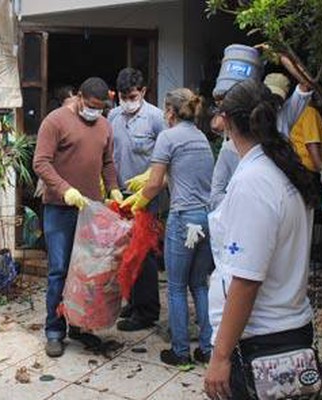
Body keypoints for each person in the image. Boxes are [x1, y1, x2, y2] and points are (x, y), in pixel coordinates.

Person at [203, 79, 321, 399]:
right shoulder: (282, 168)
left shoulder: (255, 182)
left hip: (262, 342)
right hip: (286, 330)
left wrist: (220, 356)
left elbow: (246, 281)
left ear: (226, 122)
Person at [122, 88, 215, 366]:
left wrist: (138, 202)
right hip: (206, 219)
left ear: (171, 112)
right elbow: (175, 176)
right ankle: (207, 349)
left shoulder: (167, 136)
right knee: (199, 285)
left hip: (183, 219)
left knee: (175, 287)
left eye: (166, 110)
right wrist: (150, 183)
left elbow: (154, 182)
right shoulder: (201, 138)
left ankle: (181, 351)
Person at [33, 77, 121, 357]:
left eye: (101, 108)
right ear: (79, 98)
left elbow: (107, 162)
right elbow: (40, 162)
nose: (95, 112)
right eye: (92, 106)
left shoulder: (105, 126)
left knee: (85, 273)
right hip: (59, 209)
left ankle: (80, 326)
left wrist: (115, 189)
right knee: (59, 271)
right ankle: (54, 331)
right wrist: (65, 189)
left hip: (89, 210)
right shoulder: (55, 121)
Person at [210, 59, 313, 209]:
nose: (272, 103)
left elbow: (307, 83)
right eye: (270, 97)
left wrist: (282, 56)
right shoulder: (232, 149)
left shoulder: (285, 115)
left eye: (278, 99)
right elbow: (216, 193)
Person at [108, 67, 166, 331]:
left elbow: (166, 159)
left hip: (145, 196)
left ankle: (147, 311)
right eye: (123, 96)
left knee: (144, 255)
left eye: (132, 96)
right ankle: (132, 302)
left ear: (143, 92)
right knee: (125, 253)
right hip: (120, 195)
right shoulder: (113, 116)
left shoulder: (156, 118)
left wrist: (148, 185)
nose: (128, 101)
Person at [289, 103, 322, 190]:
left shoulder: (295, 112)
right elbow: (311, 143)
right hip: (312, 170)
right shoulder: (308, 111)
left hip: (304, 168)